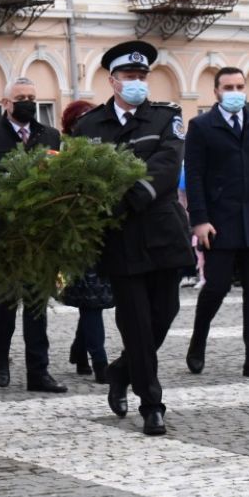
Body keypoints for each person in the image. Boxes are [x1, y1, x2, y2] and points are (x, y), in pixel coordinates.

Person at [70, 41, 193, 436]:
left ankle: (122, 370)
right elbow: (83, 176)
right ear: (113, 80)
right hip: (119, 238)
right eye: (129, 76)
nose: (137, 81)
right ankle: (151, 403)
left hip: (161, 231)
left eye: (142, 76)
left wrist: (128, 198)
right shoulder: (89, 126)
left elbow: (167, 166)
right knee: (136, 323)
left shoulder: (166, 117)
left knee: (164, 313)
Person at [0, 77, 67, 394]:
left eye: (31, 97)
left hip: (39, 236)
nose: (27, 103)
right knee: (3, 306)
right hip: (2, 236)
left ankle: (39, 371)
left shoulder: (49, 135)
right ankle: (0, 357)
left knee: (37, 308)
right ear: (6, 104)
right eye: (21, 97)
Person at [184, 66, 249, 380]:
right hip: (219, 222)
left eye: (240, 86)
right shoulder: (201, 126)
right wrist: (199, 220)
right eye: (228, 87)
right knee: (216, 287)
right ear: (216, 91)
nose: (235, 92)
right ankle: (198, 339)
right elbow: (194, 177)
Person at [60, 99, 108, 384]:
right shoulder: (64, 154)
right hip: (78, 236)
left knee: (95, 300)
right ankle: (100, 361)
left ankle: (80, 350)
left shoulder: (107, 151)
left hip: (105, 232)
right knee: (91, 301)